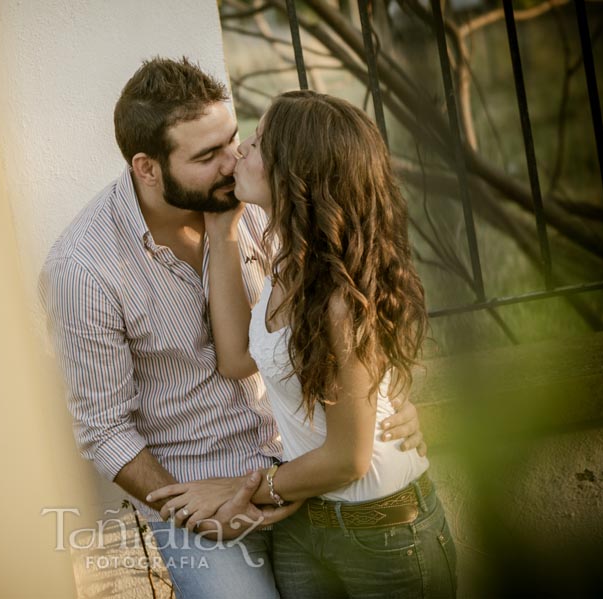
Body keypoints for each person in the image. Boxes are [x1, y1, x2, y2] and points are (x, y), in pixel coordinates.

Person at [40, 58, 426, 599]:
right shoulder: (85, 269)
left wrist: (388, 396)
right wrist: (198, 509)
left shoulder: (266, 198)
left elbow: (356, 296)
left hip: (307, 473)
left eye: (235, 140)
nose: (232, 161)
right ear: (147, 167)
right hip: (204, 495)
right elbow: (105, 429)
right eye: (207, 155)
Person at [148, 90, 457, 598]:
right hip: (306, 524)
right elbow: (235, 359)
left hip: (384, 537)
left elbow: (348, 459)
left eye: (259, 142)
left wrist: (244, 489)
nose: (241, 150)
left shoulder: (340, 298)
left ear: (297, 173)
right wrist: (222, 231)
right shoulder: (288, 261)